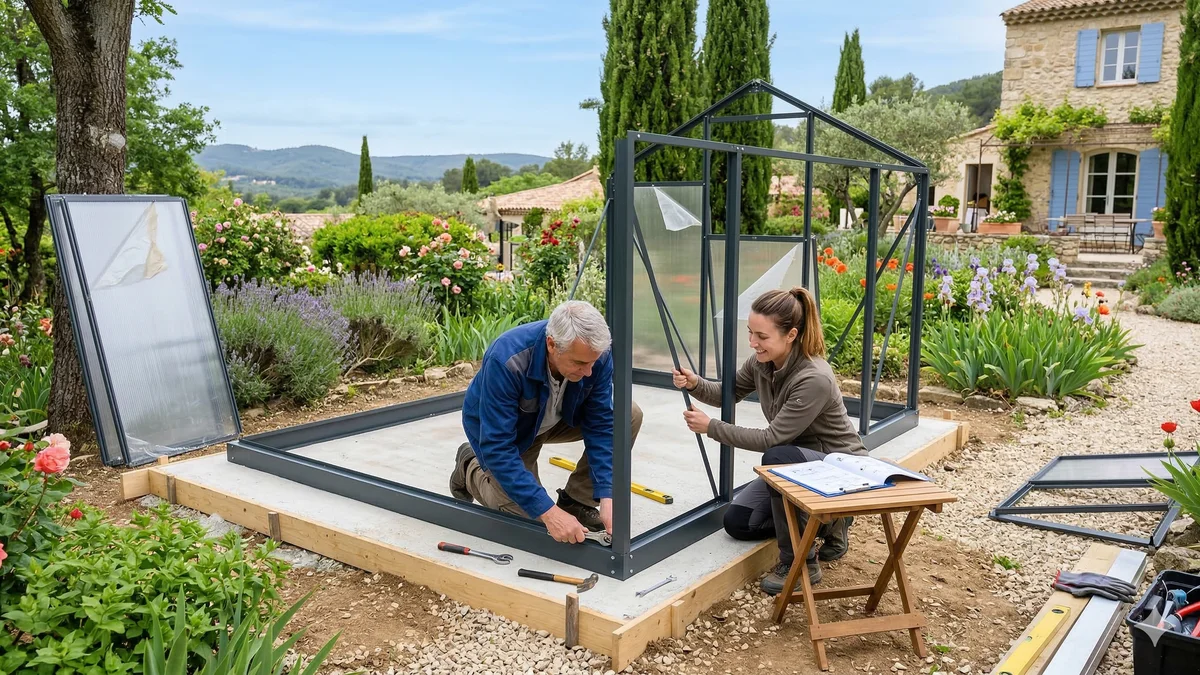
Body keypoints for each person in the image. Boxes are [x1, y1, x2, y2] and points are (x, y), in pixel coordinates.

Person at [671, 287, 867, 594]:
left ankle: (799, 562)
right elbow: (728, 393)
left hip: (840, 467)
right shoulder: (762, 364)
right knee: (738, 522)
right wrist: (695, 384)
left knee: (777, 456)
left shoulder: (813, 377)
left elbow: (772, 438)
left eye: (761, 336)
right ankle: (828, 523)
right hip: (798, 465)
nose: (753, 343)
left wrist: (711, 428)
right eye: (751, 333)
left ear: (790, 334)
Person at [450, 300, 644, 544]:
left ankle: (577, 501)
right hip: (507, 433)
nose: (589, 372)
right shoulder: (507, 359)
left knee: (627, 416)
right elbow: (498, 447)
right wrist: (549, 513)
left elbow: (602, 423)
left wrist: (607, 493)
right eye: (580, 364)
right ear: (552, 345)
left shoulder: (595, 354)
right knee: (526, 521)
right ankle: (470, 466)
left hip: (556, 417)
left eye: (593, 362)